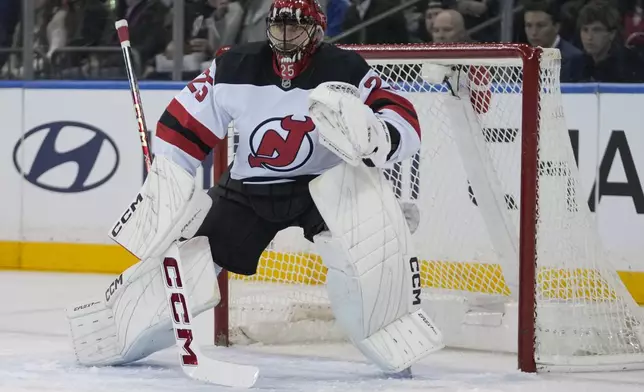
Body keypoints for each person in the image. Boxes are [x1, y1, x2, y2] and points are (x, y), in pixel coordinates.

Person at [66, 0, 443, 377]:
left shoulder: (346, 68)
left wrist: (379, 136)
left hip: (325, 187)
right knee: (186, 263)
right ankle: (120, 330)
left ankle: (391, 338)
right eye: (278, 24)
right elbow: (182, 127)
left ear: (318, 30)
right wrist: (168, 185)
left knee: (365, 258)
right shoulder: (234, 65)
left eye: (295, 25)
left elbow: (401, 114)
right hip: (248, 188)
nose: (285, 33)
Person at [522, 0, 585, 82]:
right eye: (529, 26)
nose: (533, 32)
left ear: (556, 27)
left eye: (540, 26)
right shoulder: (522, 58)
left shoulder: (574, 59)